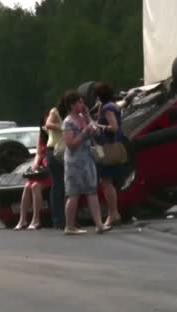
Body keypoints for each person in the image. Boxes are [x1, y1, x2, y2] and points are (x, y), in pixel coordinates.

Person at [61, 90, 108, 235]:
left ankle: (99, 224)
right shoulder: (68, 122)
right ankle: (69, 226)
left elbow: (97, 133)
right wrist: (84, 132)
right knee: (74, 193)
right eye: (79, 102)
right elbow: (71, 144)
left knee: (91, 192)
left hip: (88, 159)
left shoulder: (83, 117)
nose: (82, 105)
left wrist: (89, 119)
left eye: (82, 102)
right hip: (74, 162)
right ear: (71, 105)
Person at [94, 82, 123, 228]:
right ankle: (114, 212)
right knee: (107, 182)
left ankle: (113, 214)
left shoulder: (107, 108)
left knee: (106, 182)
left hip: (108, 147)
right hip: (113, 145)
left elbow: (114, 127)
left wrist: (100, 126)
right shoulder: (113, 105)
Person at [14, 116, 51, 230]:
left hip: (50, 170)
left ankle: (36, 219)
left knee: (35, 186)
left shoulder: (55, 135)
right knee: (27, 186)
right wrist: (35, 165)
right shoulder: (42, 137)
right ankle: (23, 219)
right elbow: (39, 153)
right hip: (42, 169)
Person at [43, 97, 66, 229]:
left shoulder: (70, 115)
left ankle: (66, 217)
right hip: (54, 150)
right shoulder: (55, 111)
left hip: (65, 150)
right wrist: (62, 127)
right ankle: (58, 219)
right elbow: (48, 124)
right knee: (58, 185)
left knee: (65, 186)